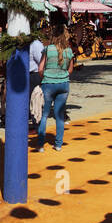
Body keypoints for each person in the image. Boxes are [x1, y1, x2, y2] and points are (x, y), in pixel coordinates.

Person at [34, 22, 74, 151]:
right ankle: (58, 144)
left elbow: (40, 69)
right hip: (63, 84)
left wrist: (45, 76)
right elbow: (70, 70)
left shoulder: (48, 49)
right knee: (59, 115)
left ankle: (40, 144)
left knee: (44, 115)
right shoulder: (69, 51)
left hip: (48, 83)